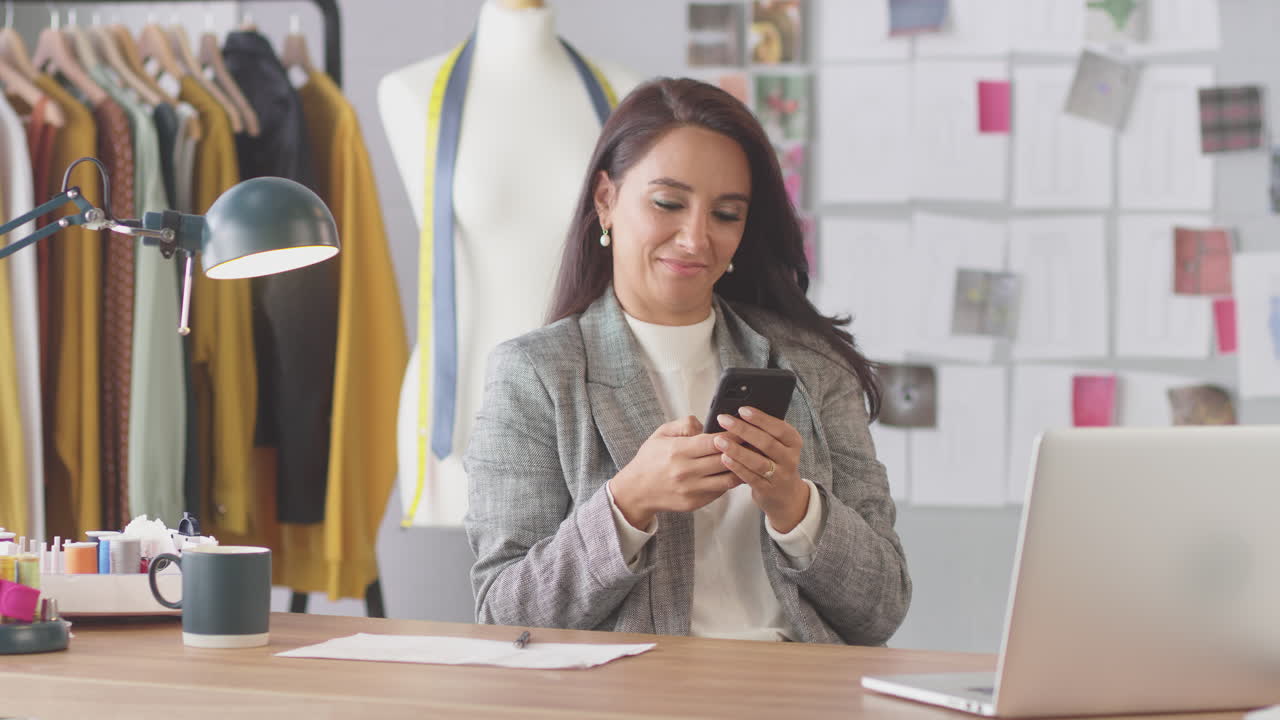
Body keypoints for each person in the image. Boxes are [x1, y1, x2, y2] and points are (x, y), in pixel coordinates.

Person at [464, 77, 910, 645]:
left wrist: (796, 506)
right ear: (607, 200)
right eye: (668, 203)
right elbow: (503, 616)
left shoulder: (811, 365)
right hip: (632, 700)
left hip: (798, 694)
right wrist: (628, 503)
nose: (697, 239)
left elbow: (884, 608)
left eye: (726, 215)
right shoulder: (537, 375)